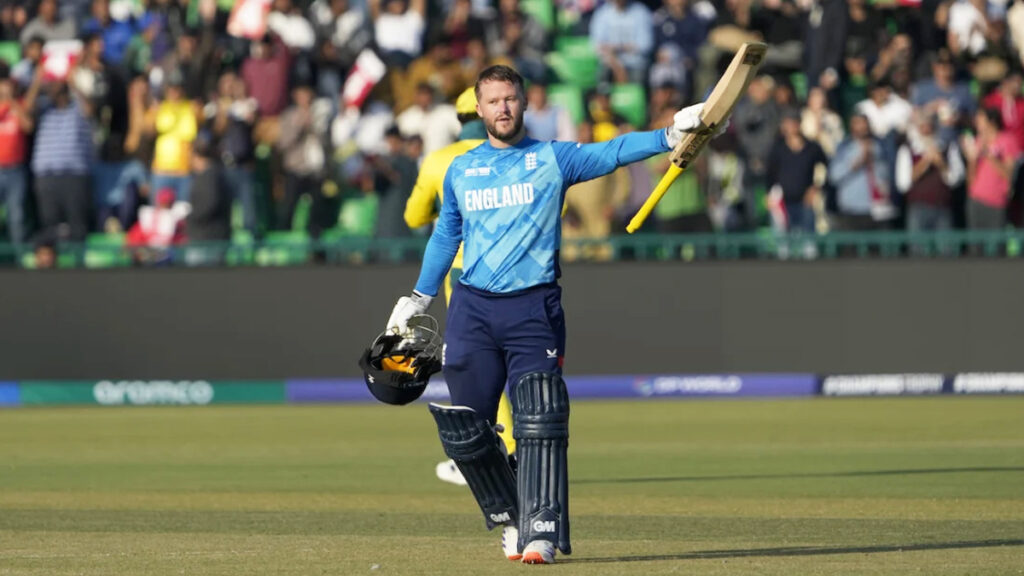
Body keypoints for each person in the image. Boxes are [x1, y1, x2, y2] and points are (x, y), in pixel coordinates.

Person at [382, 65, 721, 565]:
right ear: (480, 109)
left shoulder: (551, 159)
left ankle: (541, 530)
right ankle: (512, 517)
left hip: (532, 308)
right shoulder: (461, 170)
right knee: (466, 432)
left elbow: (612, 152)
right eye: (493, 101)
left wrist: (670, 134)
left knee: (539, 419)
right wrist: (418, 297)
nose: (503, 108)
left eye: (510, 99)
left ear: (523, 103)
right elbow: (445, 235)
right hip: (472, 309)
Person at [402, 86, 514, 486]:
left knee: (473, 363)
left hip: (463, 274)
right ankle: (520, 451)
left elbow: (414, 217)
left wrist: (444, 206)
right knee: (519, 360)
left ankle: (490, 452)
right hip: (516, 268)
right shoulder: (515, 155)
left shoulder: (440, 160)